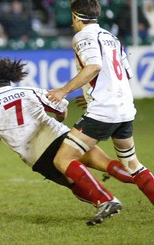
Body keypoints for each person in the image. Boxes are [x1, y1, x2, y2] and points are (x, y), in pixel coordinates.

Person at [0, 57, 135, 226]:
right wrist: (60, 117)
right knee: (108, 164)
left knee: (74, 183)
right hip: (63, 136)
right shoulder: (31, 91)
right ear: (10, 78)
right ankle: (144, 181)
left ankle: (106, 201)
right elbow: (61, 106)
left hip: (37, 153)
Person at [46, 0, 154, 215]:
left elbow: (95, 66)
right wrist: (94, 95)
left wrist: (63, 91)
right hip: (123, 109)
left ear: (76, 16)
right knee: (132, 163)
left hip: (104, 112)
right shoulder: (111, 37)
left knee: (63, 159)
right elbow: (123, 73)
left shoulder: (83, 36)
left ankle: (105, 200)